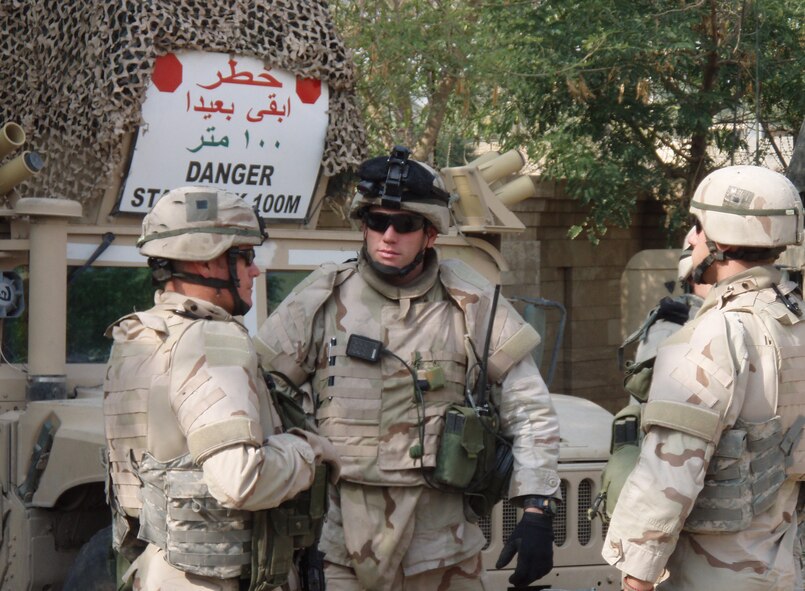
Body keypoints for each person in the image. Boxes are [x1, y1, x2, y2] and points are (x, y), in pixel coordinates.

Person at [255, 146, 561, 590]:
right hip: (339, 546)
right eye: (377, 221)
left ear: (431, 234)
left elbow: (529, 409)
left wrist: (536, 507)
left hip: (443, 548)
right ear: (363, 225)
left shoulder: (472, 304)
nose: (389, 235)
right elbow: (261, 395)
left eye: (406, 224)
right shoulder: (319, 300)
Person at [103, 186, 340, 591]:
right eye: (245, 257)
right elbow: (240, 479)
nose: (255, 271)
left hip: (160, 570)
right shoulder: (210, 342)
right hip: (219, 579)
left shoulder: (138, 337)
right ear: (210, 260)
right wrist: (310, 449)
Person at [602, 165, 805, 591]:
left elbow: (671, 470)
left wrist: (636, 574)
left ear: (723, 239)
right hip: (781, 562)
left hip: (711, 572)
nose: (691, 239)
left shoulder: (717, 332)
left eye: (698, 226)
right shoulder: (793, 322)